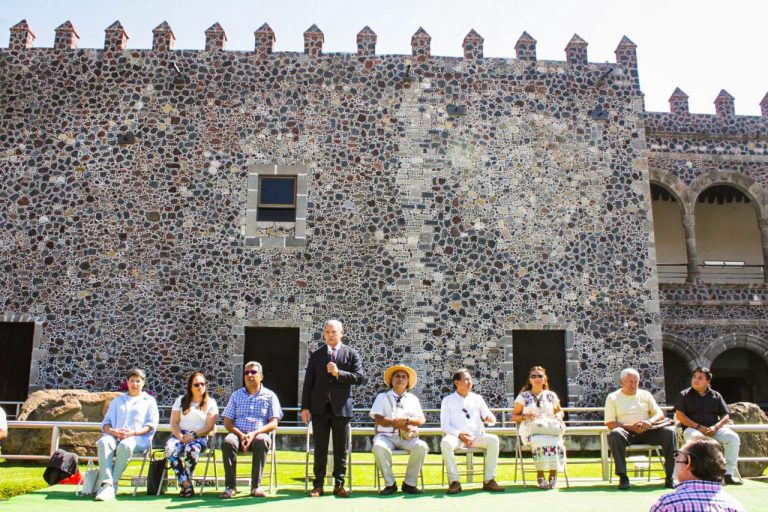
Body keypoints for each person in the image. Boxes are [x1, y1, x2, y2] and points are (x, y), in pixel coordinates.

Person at [301, 319, 364, 498]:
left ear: (341, 333)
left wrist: (338, 373)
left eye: (334, 332)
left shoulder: (351, 354)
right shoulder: (316, 355)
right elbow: (308, 383)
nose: (330, 335)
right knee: (320, 448)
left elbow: (359, 377)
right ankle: (318, 485)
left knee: (340, 449)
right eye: (327, 332)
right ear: (323, 335)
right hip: (319, 409)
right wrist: (305, 407)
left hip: (341, 408)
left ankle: (339, 484)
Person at [605, 368, 677, 490]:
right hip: (626, 433)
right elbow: (610, 423)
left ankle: (670, 476)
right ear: (622, 382)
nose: (634, 385)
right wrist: (631, 427)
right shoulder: (613, 397)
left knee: (670, 432)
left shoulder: (645, 395)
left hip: (647, 431)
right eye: (630, 381)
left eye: (636, 382)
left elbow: (659, 414)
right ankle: (623, 477)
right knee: (615, 433)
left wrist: (649, 422)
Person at [218, 361, 283, 498]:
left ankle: (256, 486)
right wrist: (241, 435)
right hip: (238, 434)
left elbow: (274, 423)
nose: (249, 375)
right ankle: (230, 487)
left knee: (261, 441)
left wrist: (254, 434)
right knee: (228, 442)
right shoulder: (236, 395)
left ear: (261, 376)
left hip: (259, 434)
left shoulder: (270, 396)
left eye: (253, 372)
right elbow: (227, 422)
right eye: (246, 373)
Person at [95, 368, 160, 502]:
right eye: (132, 381)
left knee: (125, 445)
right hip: (115, 436)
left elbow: (151, 425)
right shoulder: (117, 401)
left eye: (138, 381)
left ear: (143, 383)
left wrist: (133, 433)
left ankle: (110, 485)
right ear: (127, 382)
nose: (135, 384)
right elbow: (106, 423)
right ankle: (108, 484)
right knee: (104, 442)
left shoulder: (149, 401)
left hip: (138, 439)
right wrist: (113, 431)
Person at [440, 368, 505, 494]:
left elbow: (491, 419)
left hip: (476, 437)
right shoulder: (447, 400)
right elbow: (445, 426)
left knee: (494, 440)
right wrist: (459, 434)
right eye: (466, 379)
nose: (470, 382)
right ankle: (454, 482)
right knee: (445, 443)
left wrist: (490, 419)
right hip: (457, 438)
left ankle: (489, 480)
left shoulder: (477, 398)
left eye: (470, 379)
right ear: (457, 382)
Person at [674, 367, 742, 485]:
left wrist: (716, 427)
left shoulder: (716, 395)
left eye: (700, 378)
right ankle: (698, 474)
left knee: (733, 438)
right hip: (692, 429)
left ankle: (728, 474)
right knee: (696, 439)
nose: (695, 380)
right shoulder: (683, 395)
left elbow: (726, 415)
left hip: (713, 429)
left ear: (708, 381)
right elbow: (680, 415)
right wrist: (698, 427)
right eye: (694, 377)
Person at [370, 364, 428, 495]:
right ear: (391, 380)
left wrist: (406, 421)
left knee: (422, 446)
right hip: (385, 436)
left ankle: (409, 483)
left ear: (408, 382)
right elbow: (378, 418)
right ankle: (390, 484)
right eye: (397, 376)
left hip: (406, 437)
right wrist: (395, 423)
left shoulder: (413, 399)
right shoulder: (382, 397)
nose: (400, 379)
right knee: (378, 446)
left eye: (403, 377)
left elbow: (421, 420)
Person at [650, 437, 746, 512]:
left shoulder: (667, 504)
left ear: (688, 461)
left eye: (677, 455)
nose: (675, 459)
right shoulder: (734, 506)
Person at [165, 371, 219, 497]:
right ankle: (186, 484)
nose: (200, 387)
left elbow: (209, 426)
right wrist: (181, 437)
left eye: (203, 384)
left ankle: (186, 485)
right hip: (180, 435)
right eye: (196, 385)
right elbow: (174, 423)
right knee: (170, 448)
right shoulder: (180, 400)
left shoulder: (211, 403)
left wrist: (193, 435)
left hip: (199, 436)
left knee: (191, 449)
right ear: (190, 386)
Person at [512, 365, 566, 489]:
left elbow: (560, 411)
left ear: (544, 379)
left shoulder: (551, 395)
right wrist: (525, 416)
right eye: (533, 376)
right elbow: (514, 416)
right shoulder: (523, 397)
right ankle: (540, 474)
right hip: (530, 431)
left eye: (540, 376)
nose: (537, 378)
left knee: (557, 442)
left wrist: (556, 416)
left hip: (549, 429)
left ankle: (553, 474)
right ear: (530, 380)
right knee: (538, 441)